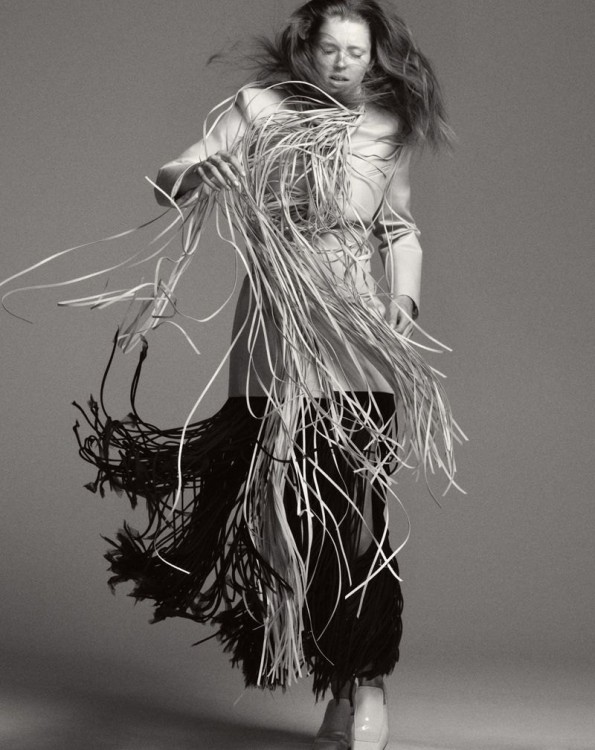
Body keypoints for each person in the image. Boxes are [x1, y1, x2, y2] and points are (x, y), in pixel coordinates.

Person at [69, 2, 462, 749]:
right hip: (274, 335)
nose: (341, 63)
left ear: (375, 56)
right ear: (306, 48)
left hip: (355, 333)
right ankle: (337, 678)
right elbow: (169, 180)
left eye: (356, 51)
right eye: (329, 48)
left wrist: (403, 299)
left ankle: (364, 682)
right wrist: (199, 172)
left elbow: (399, 228)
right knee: (296, 520)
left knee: (355, 512)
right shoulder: (259, 108)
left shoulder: (385, 127)